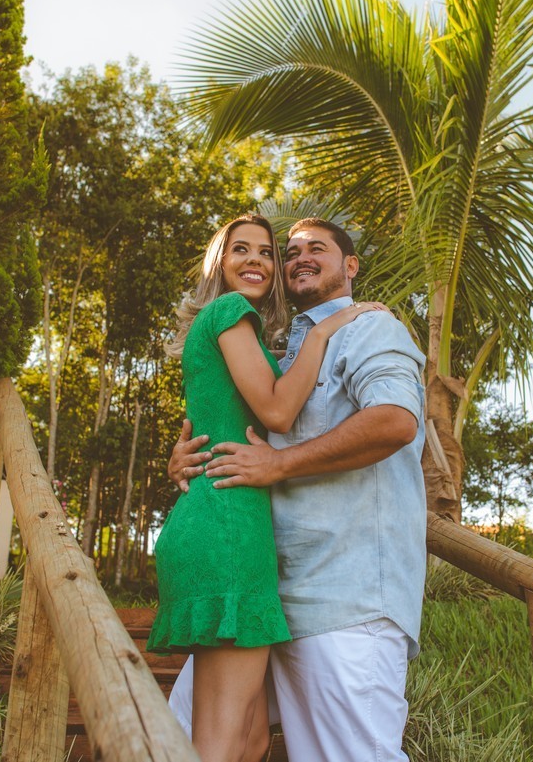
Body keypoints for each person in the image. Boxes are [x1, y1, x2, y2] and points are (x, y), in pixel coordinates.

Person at [168, 217, 427, 762]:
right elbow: (249, 419)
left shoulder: (371, 327)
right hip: (260, 581)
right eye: (291, 251)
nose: (297, 257)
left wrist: (279, 465)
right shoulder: (276, 342)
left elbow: (396, 421)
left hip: (341, 599)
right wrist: (187, 457)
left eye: (317, 248)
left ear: (351, 266)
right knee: (195, 741)